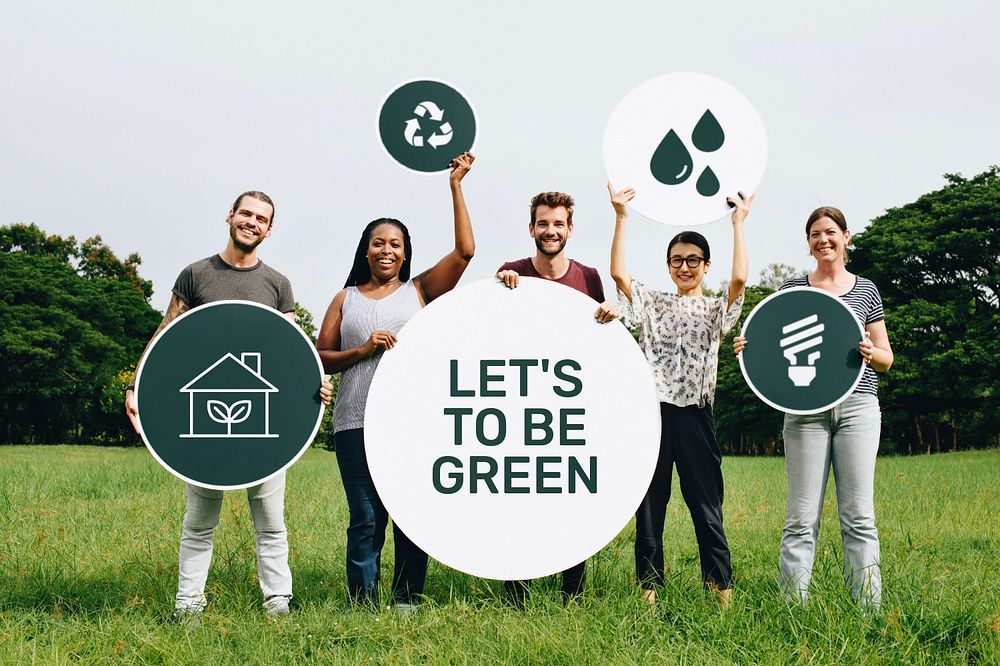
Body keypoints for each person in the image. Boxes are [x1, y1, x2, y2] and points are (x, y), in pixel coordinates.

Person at [124, 191, 334, 622]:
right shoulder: (196, 275)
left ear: (269, 229)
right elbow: (166, 333)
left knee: (272, 524)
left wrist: (317, 383)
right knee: (199, 522)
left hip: (263, 422)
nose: (252, 222)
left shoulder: (277, 284)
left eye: (261, 218)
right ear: (230, 217)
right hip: (205, 421)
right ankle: (188, 606)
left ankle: (278, 604)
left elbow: (287, 352)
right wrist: (134, 386)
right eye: (246, 214)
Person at [317, 152, 476, 611]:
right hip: (353, 424)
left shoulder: (420, 291)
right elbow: (321, 358)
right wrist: (362, 350)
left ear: (406, 253)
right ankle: (361, 603)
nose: (387, 250)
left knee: (410, 515)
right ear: (365, 250)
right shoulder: (344, 298)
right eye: (378, 243)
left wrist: (456, 186)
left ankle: (407, 600)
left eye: (396, 244)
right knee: (365, 518)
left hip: (412, 425)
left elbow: (466, 252)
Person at [735, 206, 892, 610]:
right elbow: (769, 341)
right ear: (808, 244)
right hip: (804, 412)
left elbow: (888, 358)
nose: (823, 239)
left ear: (846, 237)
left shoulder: (865, 289)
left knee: (858, 516)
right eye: (815, 234)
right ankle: (794, 608)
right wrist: (747, 349)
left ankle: (867, 609)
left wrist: (871, 352)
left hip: (858, 408)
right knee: (801, 519)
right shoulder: (793, 289)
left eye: (830, 232)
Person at [610, 183, 753, 608]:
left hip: (696, 415)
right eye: (677, 261)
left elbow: (741, 278)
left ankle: (721, 591)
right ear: (669, 266)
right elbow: (619, 274)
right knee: (650, 509)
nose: (685, 267)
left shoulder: (715, 311)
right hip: (653, 415)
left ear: (706, 265)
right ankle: (649, 594)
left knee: (706, 507)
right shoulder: (653, 303)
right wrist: (622, 216)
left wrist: (738, 223)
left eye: (693, 260)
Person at [495, 190, 617, 604]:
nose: (551, 231)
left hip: (571, 402)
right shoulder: (511, 271)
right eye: (543, 223)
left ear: (570, 229)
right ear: (531, 228)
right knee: (521, 494)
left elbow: (604, 339)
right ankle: (517, 588)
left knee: (570, 494)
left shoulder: (589, 277)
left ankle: (574, 589)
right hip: (521, 402)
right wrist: (501, 287)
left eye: (558, 224)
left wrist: (612, 313)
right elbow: (486, 327)